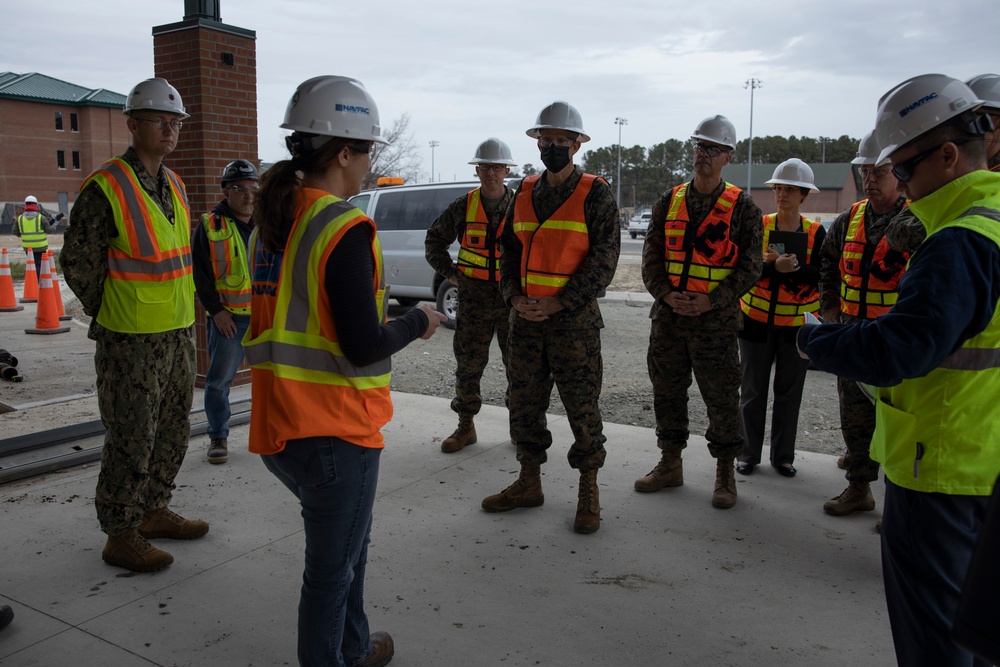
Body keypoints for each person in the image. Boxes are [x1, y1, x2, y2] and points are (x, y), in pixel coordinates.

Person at [798, 73, 1000, 667]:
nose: (901, 186)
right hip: (984, 458)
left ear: (946, 154)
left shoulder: (959, 242)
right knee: (979, 630)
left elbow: (901, 351)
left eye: (904, 170)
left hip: (938, 465)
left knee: (935, 636)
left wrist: (820, 342)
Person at [244, 75, 445, 667]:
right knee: (329, 576)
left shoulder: (275, 221)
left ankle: (354, 650)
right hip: (334, 431)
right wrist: (419, 320)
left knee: (345, 556)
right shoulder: (342, 227)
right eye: (366, 152)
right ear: (342, 154)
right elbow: (362, 344)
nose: (368, 165)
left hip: (283, 425)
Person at [61, 77, 207, 573]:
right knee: (131, 434)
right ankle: (120, 532)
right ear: (133, 125)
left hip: (177, 330)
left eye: (175, 122)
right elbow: (79, 262)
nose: (169, 130)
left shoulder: (176, 183)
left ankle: (152, 510)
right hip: (131, 338)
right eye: (159, 121)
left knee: (171, 428)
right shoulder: (106, 186)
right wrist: (114, 309)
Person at [481, 101, 620, 535]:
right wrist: (513, 296)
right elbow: (505, 250)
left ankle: (588, 490)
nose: (553, 147)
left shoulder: (595, 192)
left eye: (562, 140)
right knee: (523, 404)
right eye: (547, 140)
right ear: (537, 143)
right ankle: (529, 481)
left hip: (572, 324)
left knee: (582, 408)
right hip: (525, 322)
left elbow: (605, 260)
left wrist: (561, 302)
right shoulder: (522, 191)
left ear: (577, 145)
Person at [634, 115, 763, 509]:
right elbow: (651, 259)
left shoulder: (742, 207)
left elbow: (751, 267)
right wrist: (665, 295)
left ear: (727, 156)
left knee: (722, 398)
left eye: (711, 149)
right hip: (669, 320)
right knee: (667, 393)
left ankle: (725, 472)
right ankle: (670, 463)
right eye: (698, 147)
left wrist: (713, 299)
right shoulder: (668, 200)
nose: (702, 155)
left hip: (716, 323)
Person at [816, 130, 909, 517]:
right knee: (854, 416)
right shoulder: (848, 219)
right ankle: (858, 488)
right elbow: (828, 262)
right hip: (854, 332)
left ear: (898, 174)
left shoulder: (918, 220)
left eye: (877, 172)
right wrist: (830, 307)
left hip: (896, 338)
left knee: (900, 423)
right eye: (863, 172)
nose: (869, 180)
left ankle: (899, 505)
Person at [424, 138, 516, 453]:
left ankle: (521, 429)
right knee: (468, 365)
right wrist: (451, 274)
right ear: (477, 170)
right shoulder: (463, 206)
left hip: (511, 301)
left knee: (520, 367)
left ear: (506, 170)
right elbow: (434, 240)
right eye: (485, 167)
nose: (491, 173)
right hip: (474, 301)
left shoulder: (522, 206)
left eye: (497, 168)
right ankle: (466, 427)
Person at [736, 158, 825, 477]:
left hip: (795, 329)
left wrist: (792, 268)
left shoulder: (816, 232)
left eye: (790, 189)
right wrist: (773, 266)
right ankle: (747, 454)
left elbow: (823, 274)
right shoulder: (760, 225)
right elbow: (744, 268)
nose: (782, 194)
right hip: (756, 322)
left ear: (804, 195)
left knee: (789, 394)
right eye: (779, 188)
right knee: (752, 392)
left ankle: (783, 457)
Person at [191, 159, 258, 464]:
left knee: (274, 378)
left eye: (253, 188)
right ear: (226, 191)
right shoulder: (210, 225)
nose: (248, 195)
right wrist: (217, 311)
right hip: (229, 319)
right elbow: (201, 274)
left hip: (265, 318)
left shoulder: (269, 224)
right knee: (219, 381)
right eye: (239, 188)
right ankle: (218, 435)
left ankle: (274, 430)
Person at [15, 195, 54, 278]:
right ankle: (39, 282)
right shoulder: (41, 218)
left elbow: (14, 231)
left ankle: (32, 281)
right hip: (40, 247)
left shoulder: (20, 218)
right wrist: (54, 225)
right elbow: (49, 230)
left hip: (27, 247)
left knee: (31, 265)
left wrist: (23, 235)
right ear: (36, 205)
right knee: (39, 265)